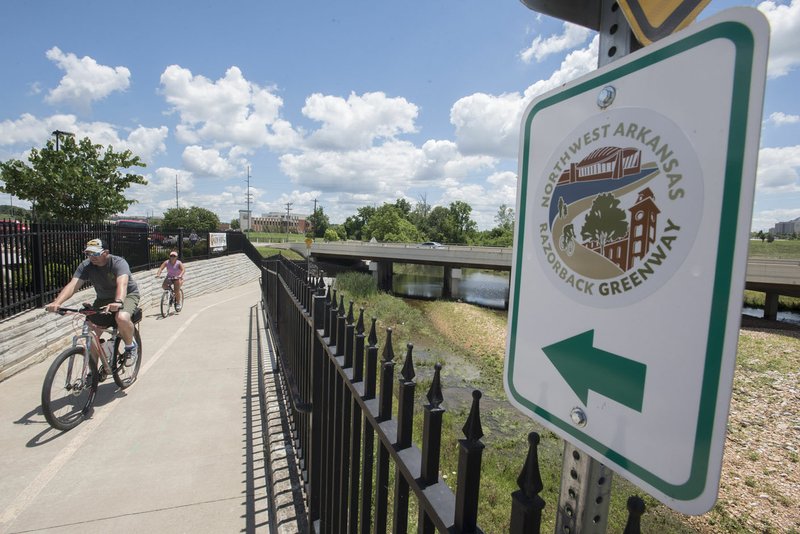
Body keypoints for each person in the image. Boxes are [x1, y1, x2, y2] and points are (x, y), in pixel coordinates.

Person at [45, 238, 140, 366]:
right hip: (103, 299)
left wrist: (118, 302)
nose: (92, 257)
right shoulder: (86, 266)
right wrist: (57, 302)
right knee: (90, 332)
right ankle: (93, 372)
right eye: (88, 254)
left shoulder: (118, 262)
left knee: (122, 317)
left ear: (106, 252)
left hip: (127, 295)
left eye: (95, 254)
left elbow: (122, 284)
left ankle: (130, 347)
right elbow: (73, 285)